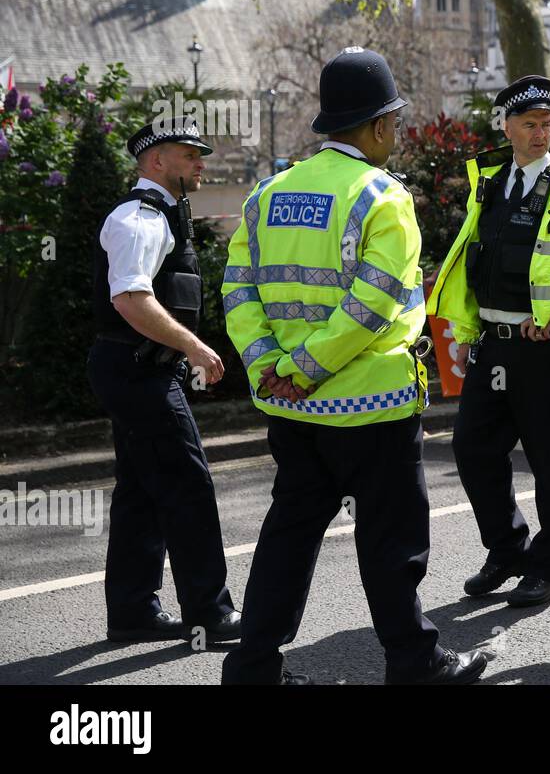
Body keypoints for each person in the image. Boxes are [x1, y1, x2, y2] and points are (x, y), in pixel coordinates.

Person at [221, 47, 484, 685]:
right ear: (377, 126)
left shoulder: (267, 194)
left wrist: (271, 367)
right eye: (392, 119)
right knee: (391, 544)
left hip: (291, 407)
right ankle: (414, 664)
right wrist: (309, 365)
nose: (395, 130)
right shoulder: (382, 197)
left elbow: (238, 288)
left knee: (288, 537)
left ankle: (252, 667)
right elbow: (373, 304)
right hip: (374, 408)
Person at [430, 75, 550, 608]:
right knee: (471, 449)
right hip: (493, 343)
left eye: (547, 123)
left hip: (547, 349)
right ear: (507, 127)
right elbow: (477, 263)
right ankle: (507, 548)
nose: (541, 132)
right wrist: (466, 334)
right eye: (530, 124)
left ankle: (548, 566)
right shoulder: (489, 183)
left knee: (549, 463)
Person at [89, 115, 240, 645]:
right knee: (187, 485)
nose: (201, 164)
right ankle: (211, 614)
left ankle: (132, 611)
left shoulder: (163, 215)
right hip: (138, 371)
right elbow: (131, 298)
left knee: (141, 488)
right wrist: (193, 345)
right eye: (190, 155)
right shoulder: (139, 218)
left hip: (136, 368)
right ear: (157, 161)